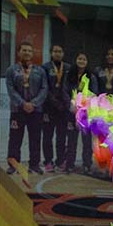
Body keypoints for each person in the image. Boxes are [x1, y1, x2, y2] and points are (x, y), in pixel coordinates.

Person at [5, 40, 48, 174]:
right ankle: (13, 165)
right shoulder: (11, 70)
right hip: (17, 110)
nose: (27, 53)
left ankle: (34, 165)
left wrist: (33, 104)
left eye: (29, 51)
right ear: (19, 53)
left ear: (32, 53)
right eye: (24, 50)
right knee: (15, 138)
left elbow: (44, 88)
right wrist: (23, 103)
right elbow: (11, 90)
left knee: (35, 138)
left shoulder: (39, 70)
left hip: (36, 111)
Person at [42, 43, 76, 173]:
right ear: (51, 53)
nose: (57, 53)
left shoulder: (68, 67)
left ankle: (60, 160)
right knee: (47, 136)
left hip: (63, 108)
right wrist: (54, 101)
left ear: (63, 53)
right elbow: (44, 86)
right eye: (55, 51)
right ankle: (48, 161)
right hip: (49, 107)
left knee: (61, 136)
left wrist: (65, 103)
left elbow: (69, 87)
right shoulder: (45, 68)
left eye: (60, 51)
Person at [71, 53, 97, 172]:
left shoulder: (92, 76)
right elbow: (66, 90)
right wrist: (73, 104)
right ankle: (70, 163)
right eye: (79, 58)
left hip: (86, 113)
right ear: (76, 60)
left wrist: (85, 107)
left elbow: (95, 93)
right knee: (71, 138)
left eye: (84, 59)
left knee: (86, 140)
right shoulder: (69, 74)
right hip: (72, 111)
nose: (81, 61)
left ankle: (87, 164)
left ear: (87, 62)